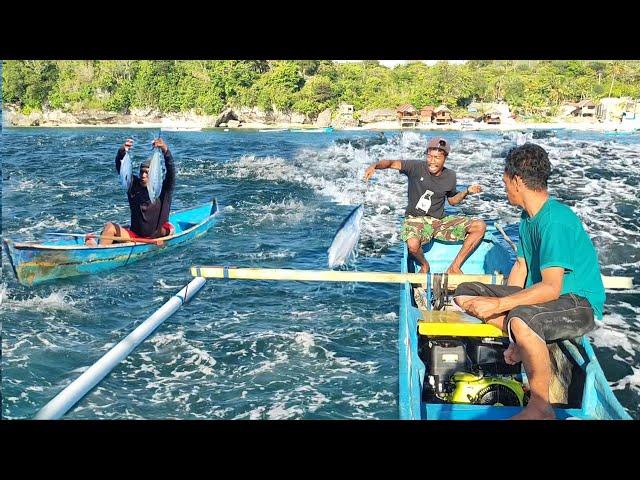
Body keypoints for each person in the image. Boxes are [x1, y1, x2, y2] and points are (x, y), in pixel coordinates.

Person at [453, 143, 605, 420]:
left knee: (522, 317)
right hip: (546, 302)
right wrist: (509, 323)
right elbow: (521, 267)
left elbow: (551, 287)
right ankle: (523, 342)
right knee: (466, 293)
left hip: (577, 305)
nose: (504, 186)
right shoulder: (527, 218)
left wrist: (502, 305)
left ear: (518, 181)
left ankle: (540, 407)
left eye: (505, 180)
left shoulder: (555, 221)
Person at [363, 137, 485, 274]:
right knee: (413, 245)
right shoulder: (415, 167)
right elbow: (391, 163)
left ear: (445, 158)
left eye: (437, 157)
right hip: (415, 220)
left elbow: (452, 200)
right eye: (430, 156)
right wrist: (375, 166)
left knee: (479, 226)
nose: (432, 161)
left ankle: (454, 267)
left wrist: (467, 191)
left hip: (439, 221)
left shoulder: (450, 175)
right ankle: (424, 265)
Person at [85, 137, 176, 246]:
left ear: (154, 175)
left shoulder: (163, 189)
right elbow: (121, 168)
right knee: (109, 227)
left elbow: (171, 171)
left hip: (156, 236)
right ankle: (98, 253)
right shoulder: (133, 186)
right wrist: (122, 152)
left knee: (162, 230)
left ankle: (96, 246)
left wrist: (165, 150)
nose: (143, 175)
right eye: (141, 172)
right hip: (135, 235)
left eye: (147, 173)